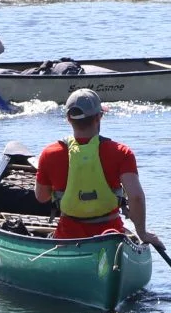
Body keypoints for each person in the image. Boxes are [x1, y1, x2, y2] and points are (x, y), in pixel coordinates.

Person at [34, 89, 157, 245]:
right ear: (99, 117)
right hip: (111, 238)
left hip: (68, 238)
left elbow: (41, 196)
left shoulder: (49, 153)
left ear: (68, 119)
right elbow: (136, 197)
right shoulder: (121, 152)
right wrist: (142, 233)